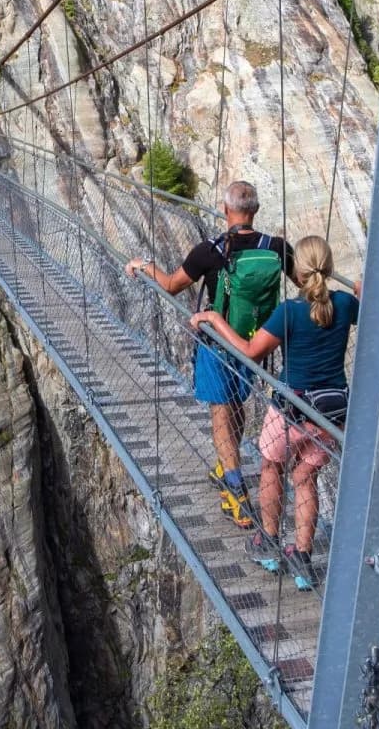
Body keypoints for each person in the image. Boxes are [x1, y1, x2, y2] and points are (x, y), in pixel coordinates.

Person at [190, 234, 358, 590]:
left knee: (272, 467)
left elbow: (250, 351)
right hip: (331, 413)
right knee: (305, 479)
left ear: (297, 270)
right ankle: (302, 557)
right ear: (328, 268)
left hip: (291, 410)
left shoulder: (291, 312)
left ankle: (268, 542)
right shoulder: (345, 304)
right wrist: (362, 288)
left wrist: (214, 320)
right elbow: (372, 307)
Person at [125, 179, 292, 530]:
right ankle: (225, 467)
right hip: (253, 346)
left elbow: (171, 284)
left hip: (217, 344)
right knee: (235, 406)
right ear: (256, 211)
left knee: (220, 416)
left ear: (226, 210)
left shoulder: (211, 250)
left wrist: (143, 265)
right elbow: (309, 283)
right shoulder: (277, 248)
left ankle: (236, 494)